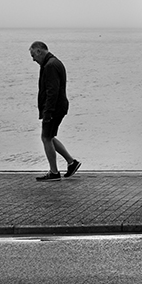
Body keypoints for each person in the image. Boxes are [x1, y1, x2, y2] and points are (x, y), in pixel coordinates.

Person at [29, 41, 81, 181]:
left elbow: (52, 91)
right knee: (49, 137)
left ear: (39, 51)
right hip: (58, 106)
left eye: (33, 55)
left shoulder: (50, 65)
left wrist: (48, 112)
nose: (33, 59)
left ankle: (54, 172)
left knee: (46, 138)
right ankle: (72, 162)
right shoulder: (52, 63)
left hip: (54, 108)